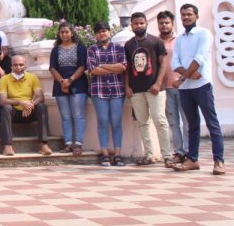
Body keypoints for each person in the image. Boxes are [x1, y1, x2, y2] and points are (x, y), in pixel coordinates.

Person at [171, 4, 225, 175]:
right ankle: (192, 160)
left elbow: (199, 58)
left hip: (202, 86)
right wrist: (187, 75)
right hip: (186, 88)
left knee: (212, 123)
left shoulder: (204, 34)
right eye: (183, 15)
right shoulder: (179, 39)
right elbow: (175, 63)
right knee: (192, 125)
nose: (186, 17)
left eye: (189, 14)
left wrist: (184, 75)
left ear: (196, 16)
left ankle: (219, 161)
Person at [124, 12, 172, 167]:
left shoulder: (156, 42)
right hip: (136, 90)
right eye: (135, 23)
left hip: (155, 89)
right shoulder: (129, 45)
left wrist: (158, 83)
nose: (139, 26)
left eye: (141, 23)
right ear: (131, 25)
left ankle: (167, 156)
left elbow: (163, 63)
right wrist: (127, 86)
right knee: (143, 123)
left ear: (146, 23)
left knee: (160, 120)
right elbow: (127, 68)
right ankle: (149, 155)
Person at [87, 21, 127, 167]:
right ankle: (104, 154)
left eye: (104, 31)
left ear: (109, 32)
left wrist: (102, 65)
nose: (102, 34)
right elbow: (92, 70)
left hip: (117, 90)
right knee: (103, 121)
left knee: (116, 122)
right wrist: (113, 68)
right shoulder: (92, 50)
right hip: (99, 90)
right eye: (98, 32)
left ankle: (117, 154)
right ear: (96, 35)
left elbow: (122, 67)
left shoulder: (119, 48)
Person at [0, 55, 52, 156]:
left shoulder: (32, 77)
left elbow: (40, 97)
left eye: (21, 65)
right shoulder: (4, 79)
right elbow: (2, 100)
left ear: (25, 66)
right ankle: (7, 145)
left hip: (29, 112)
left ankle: (43, 144)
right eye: (15, 65)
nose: (18, 67)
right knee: (6, 107)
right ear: (11, 66)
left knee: (42, 106)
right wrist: (21, 102)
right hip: (14, 113)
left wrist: (30, 105)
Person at [48, 23, 88, 155]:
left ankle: (79, 144)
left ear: (72, 33)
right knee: (65, 116)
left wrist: (70, 80)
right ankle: (68, 143)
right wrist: (62, 82)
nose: (64, 34)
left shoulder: (80, 47)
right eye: (62, 32)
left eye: (66, 32)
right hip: (60, 85)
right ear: (59, 34)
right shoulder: (56, 50)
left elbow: (82, 66)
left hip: (78, 84)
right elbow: (52, 68)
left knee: (78, 115)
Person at [157, 10, 188, 165]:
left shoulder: (181, 40)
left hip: (183, 86)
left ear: (172, 23)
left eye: (166, 22)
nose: (164, 25)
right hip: (165, 88)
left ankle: (189, 152)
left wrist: (183, 79)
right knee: (173, 122)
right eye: (161, 23)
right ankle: (179, 152)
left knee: (187, 121)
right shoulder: (155, 43)